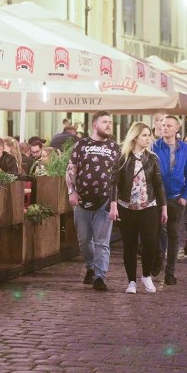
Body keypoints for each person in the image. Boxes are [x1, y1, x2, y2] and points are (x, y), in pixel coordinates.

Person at [109, 122, 167, 295]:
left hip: (148, 206)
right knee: (130, 245)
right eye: (144, 135)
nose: (148, 138)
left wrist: (163, 207)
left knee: (150, 243)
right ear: (135, 137)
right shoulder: (122, 157)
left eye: (149, 135)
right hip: (126, 207)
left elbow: (158, 184)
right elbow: (114, 182)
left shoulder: (152, 158)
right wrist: (113, 205)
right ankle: (131, 281)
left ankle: (146, 275)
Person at [66, 111, 119, 291]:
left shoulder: (115, 147)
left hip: (104, 199)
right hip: (82, 200)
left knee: (102, 242)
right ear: (95, 125)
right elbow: (71, 169)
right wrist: (71, 191)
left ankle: (99, 276)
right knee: (84, 240)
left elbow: (118, 177)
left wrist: (115, 201)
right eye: (105, 122)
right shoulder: (81, 145)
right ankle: (90, 266)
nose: (108, 125)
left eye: (110, 122)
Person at [152, 115, 187, 286]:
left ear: (177, 129)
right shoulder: (154, 146)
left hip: (176, 198)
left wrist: (185, 196)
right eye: (163, 125)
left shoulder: (185, 149)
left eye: (169, 125)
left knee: (173, 235)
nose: (165, 128)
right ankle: (158, 259)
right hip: (156, 199)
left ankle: (170, 272)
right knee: (157, 232)